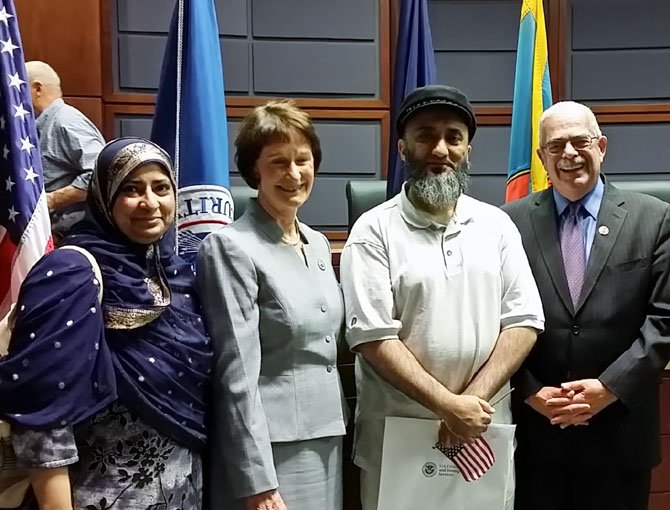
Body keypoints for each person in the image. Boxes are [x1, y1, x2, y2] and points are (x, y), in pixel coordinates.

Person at [339, 84, 545, 510]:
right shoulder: (373, 230)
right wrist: (446, 405)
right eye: (425, 135)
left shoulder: (498, 226)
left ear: (468, 150)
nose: (440, 148)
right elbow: (373, 337)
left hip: (481, 430)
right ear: (402, 147)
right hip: (399, 439)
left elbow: (524, 320)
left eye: (454, 137)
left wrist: (470, 403)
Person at [0, 138, 211, 509]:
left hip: (183, 493)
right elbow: (42, 411)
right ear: (103, 196)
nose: (150, 203)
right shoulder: (70, 273)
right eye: (131, 189)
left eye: (161, 188)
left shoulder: (178, 273)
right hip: (94, 495)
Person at [502, 101, 670, 510]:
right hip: (536, 435)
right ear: (541, 157)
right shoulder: (507, 223)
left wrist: (609, 388)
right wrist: (532, 392)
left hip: (621, 436)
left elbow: (665, 320)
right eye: (556, 146)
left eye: (581, 141)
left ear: (602, 146)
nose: (569, 154)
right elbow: (492, 319)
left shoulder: (656, 218)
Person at [197, 100, 348, 510]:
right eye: (279, 162)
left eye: (303, 160)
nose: (294, 174)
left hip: (327, 435)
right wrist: (256, 480)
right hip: (271, 448)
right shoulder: (230, 247)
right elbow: (235, 374)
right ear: (254, 171)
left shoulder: (317, 244)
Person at [26, 61, 105, 242]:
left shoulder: (66, 122)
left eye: (17, 90)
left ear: (38, 88)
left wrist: (51, 200)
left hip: (74, 237)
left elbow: (100, 174)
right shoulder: (43, 126)